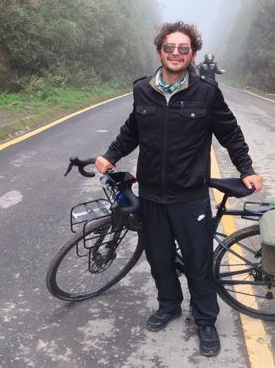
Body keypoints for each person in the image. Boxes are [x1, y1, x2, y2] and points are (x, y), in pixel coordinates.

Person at [96, 21, 261, 357]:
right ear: (160, 51)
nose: (175, 53)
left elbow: (229, 133)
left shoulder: (206, 93)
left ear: (193, 54)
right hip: (153, 195)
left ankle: (205, 320)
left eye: (183, 48)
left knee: (199, 263)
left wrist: (246, 168)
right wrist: (111, 155)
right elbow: (132, 129)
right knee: (159, 259)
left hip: (190, 196)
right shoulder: (142, 89)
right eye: (169, 47)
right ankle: (169, 304)